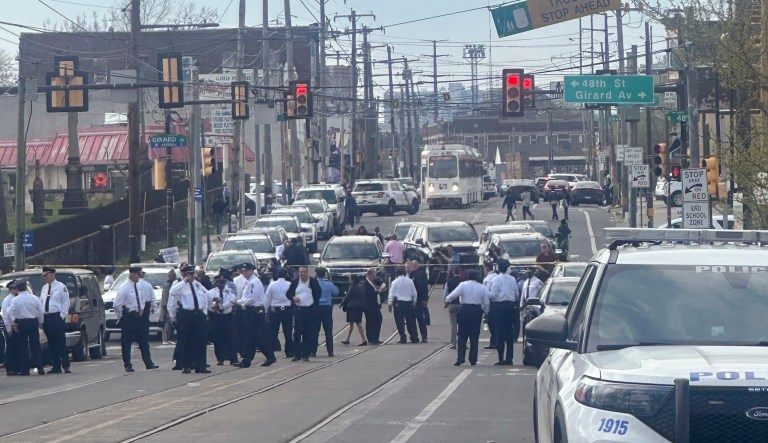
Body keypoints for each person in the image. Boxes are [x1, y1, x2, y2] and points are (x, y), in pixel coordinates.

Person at [168, 265, 213, 374]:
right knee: (187, 341)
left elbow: (209, 296)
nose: (192, 276)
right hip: (187, 314)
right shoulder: (180, 285)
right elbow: (172, 292)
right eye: (189, 274)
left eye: (193, 274)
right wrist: (184, 282)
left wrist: (205, 312)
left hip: (199, 314)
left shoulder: (198, 285)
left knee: (201, 341)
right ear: (185, 275)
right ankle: (186, 365)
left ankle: (200, 366)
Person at [114, 266, 159, 372]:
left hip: (139, 316)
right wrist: (121, 316)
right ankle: (128, 364)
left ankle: (148, 363)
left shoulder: (138, 286)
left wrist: (141, 309)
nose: (139, 277)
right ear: (133, 275)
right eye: (138, 275)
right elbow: (116, 305)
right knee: (126, 342)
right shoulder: (124, 288)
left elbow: (142, 299)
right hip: (129, 316)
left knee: (143, 340)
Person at [444, 269, 490, 367]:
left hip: (465, 310)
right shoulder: (483, 288)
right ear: (477, 277)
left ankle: (460, 358)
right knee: (474, 336)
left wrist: (447, 300)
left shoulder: (463, 285)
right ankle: (473, 359)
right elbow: (486, 302)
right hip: (476, 311)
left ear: (467, 276)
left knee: (462, 335)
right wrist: (486, 312)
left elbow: (453, 294)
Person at [235, 263, 277, 368]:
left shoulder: (254, 282)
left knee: (254, 336)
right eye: (243, 271)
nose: (244, 273)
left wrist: (238, 302)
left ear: (251, 271)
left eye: (246, 271)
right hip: (250, 311)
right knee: (254, 337)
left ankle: (252, 359)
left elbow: (252, 299)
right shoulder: (250, 282)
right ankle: (253, 359)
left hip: (255, 311)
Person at [8, 280, 45, 376]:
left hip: (21, 323)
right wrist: (41, 322)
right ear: (26, 287)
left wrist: (14, 322)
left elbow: (10, 312)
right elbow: (40, 311)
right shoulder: (34, 298)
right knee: (35, 345)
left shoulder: (15, 300)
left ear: (18, 288)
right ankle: (40, 368)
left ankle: (25, 369)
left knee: (23, 346)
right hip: (33, 322)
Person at [286, 266, 322, 361]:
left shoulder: (313, 282)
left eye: (304, 272)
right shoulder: (295, 282)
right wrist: (293, 298)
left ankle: (306, 354)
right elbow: (288, 293)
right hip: (298, 310)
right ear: (298, 273)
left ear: (307, 272)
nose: (302, 274)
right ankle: (297, 354)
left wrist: (314, 304)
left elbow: (318, 293)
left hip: (310, 310)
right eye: (301, 272)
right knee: (297, 332)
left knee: (308, 333)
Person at [40, 267, 71, 374]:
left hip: (56, 317)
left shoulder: (61, 287)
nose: (45, 278)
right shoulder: (44, 288)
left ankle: (66, 365)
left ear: (52, 275)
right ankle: (56, 365)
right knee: (51, 343)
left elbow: (66, 303)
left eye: (46, 275)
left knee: (60, 342)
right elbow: (41, 303)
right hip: (47, 318)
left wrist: (61, 316)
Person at [488, 261, 520, 366]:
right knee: (509, 333)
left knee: (499, 332)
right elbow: (516, 294)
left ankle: (501, 357)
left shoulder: (496, 280)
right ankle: (509, 358)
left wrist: (486, 292)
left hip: (499, 307)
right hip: (510, 306)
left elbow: (493, 295)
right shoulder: (513, 279)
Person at [208, 271, 239, 366]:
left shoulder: (229, 291)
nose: (220, 284)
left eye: (222, 282)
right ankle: (220, 358)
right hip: (216, 317)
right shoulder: (211, 292)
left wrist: (221, 306)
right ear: (216, 282)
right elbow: (208, 304)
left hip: (227, 316)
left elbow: (231, 301)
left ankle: (233, 358)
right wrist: (215, 304)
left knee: (231, 338)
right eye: (218, 282)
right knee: (218, 339)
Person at [265, 268, 294, 359]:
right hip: (287, 309)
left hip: (275, 310)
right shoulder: (290, 284)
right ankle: (289, 352)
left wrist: (266, 311)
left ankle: (271, 351)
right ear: (286, 275)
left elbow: (268, 299)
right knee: (288, 332)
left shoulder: (272, 285)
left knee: (273, 332)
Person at [388, 267, 419, 344]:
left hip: (399, 303)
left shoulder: (394, 282)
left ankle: (403, 337)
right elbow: (414, 293)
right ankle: (414, 337)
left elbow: (391, 294)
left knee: (399, 321)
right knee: (411, 321)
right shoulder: (410, 281)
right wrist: (414, 302)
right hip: (409, 303)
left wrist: (390, 304)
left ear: (396, 273)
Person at [315, 267, 339, 357]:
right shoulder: (329, 284)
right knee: (328, 331)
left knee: (315, 330)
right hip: (326, 308)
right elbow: (336, 292)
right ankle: (330, 351)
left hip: (316, 308)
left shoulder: (314, 283)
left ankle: (313, 351)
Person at [340, 275, 367, 346]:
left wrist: (342, 304)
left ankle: (364, 339)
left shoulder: (352, 287)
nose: (349, 280)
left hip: (352, 307)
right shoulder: (362, 286)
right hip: (359, 306)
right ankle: (348, 339)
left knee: (355, 323)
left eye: (350, 278)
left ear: (352, 280)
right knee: (355, 323)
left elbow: (348, 296)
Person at [362, 268, 387, 345]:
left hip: (375, 305)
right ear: (369, 275)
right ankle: (372, 338)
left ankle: (374, 338)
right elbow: (368, 294)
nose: (375, 277)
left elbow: (383, 284)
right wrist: (378, 292)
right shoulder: (365, 283)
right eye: (373, 275)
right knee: (373, 321)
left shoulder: (373, 282)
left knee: (374, 321)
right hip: (370, 306)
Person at [409, 260, 430, 342]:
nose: (408, 268)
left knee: (418, 319)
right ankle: (421, 336)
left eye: (410, 266)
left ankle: (421, 336)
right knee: (419, 319)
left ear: (414, 266)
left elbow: (423, 288)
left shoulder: (418, 275)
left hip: (417, 300)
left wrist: (424, 299)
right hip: (416, 300)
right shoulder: (417, 274)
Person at [443, 266, 464, 350]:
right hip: (461, 305)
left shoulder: (449, 281)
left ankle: (453, 343)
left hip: (452, 305)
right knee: (462, 325)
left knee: (453, 325)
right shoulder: (463, 282)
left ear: (453, 272)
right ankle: (463, 342)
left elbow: (445, 294)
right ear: (460, 272)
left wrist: (446, 302)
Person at [2, 281, 20, 376]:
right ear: (10, 289)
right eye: (15, 288)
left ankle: (15, 368)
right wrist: (9, 329)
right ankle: (10, 368)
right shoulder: (7, 300)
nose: (16, 289)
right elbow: (5, 316)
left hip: (15, 326)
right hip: (10, 327)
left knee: (16, 348)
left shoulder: (15, 299)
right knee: (11, 348)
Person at [161, 270, 179, 343]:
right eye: (172, 276)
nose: (174, 277)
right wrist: (165, 305)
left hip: (172, 305)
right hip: (167, 305)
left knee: (171, 322)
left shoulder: (174, 284)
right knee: (167, 323)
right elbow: (165, 296)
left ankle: (170, 337)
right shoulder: (167, 285)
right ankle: (166, 338)